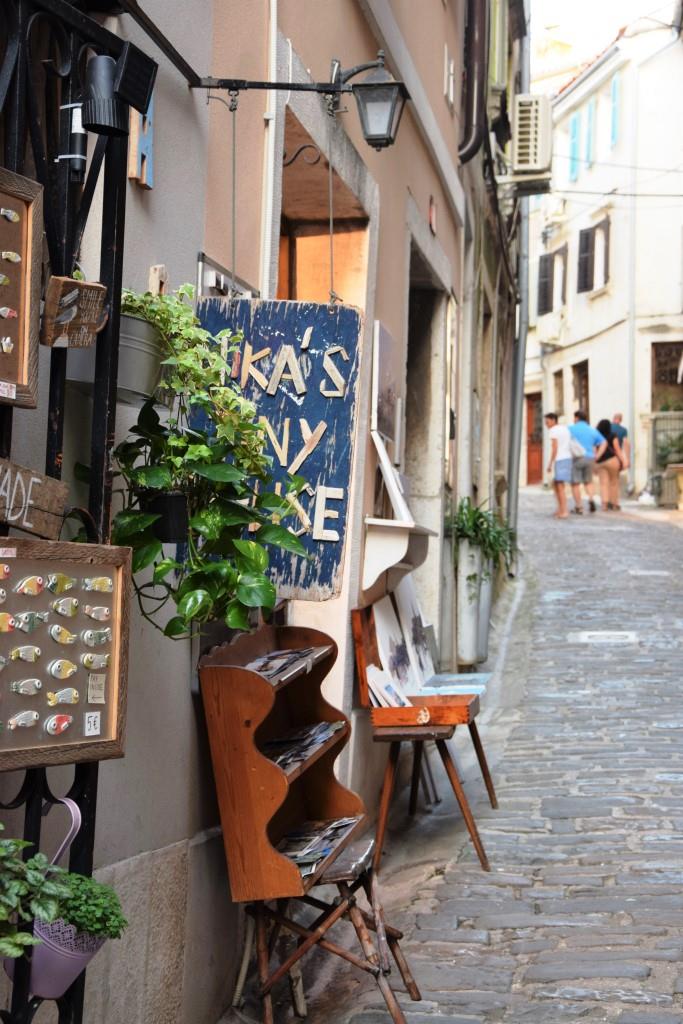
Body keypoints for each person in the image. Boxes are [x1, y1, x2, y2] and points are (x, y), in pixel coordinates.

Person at [568, 410, 606, 514]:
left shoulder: (571, 428)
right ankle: (591, 499)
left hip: (576, 458)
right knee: (588, 481)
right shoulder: (592, 430)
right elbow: (604, 442)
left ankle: (579, 507)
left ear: (576, 418)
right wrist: (597, 456)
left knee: (575, 483)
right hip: (590, 458)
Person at [544, 412, 571, 519]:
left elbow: (555, 448)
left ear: (553, 420)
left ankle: (564, 511)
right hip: (567, 458)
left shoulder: (553, 430)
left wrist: (550, 463)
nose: (546, 424)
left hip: (560, 459)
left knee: (559, 487)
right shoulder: (565, 428)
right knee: (557, 485)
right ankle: (560, 509)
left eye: (547, 422)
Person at [596, 418, 624, 510]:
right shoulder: (613, 435)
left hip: (601, 461)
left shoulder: (596, 436)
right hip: (612, 460)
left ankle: (604, 505)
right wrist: (623, 460)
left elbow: (594, 450)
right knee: (614, 483)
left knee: (603, 483)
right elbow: (617, 449)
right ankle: (614, 504)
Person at [611, 412, 630, 493]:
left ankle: (607, 496)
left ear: (613, 419)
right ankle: (615, 495)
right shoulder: (623, 430)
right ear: (621, 420)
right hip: (617, 456)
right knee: (615, 477)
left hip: (605, 455)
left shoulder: (607, 427)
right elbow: (625, 443)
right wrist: (627, 458)